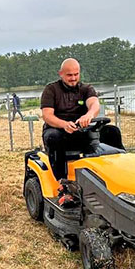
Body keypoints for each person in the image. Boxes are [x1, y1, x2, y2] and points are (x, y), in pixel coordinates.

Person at [41, 58, 100, 205]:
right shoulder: (51, 90)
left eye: (76, 74)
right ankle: (63, 185)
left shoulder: (86, 89)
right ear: (61, 73)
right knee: (54, 137)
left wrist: (89, 115)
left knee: (112, 131)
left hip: (80, 131)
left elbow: (94, 103)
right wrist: (64, 125)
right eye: (69, 75)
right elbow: (47, 115)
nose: (73, 78)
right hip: (57, 130)